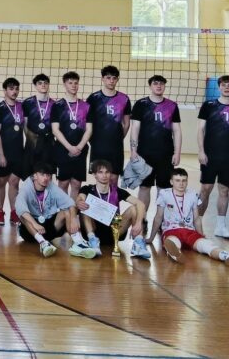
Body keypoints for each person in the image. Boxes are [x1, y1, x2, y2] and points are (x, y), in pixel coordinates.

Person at [147, 168, 229, 264]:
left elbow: (196, 218)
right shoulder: (164, 194)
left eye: (184, 180)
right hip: (171, 230)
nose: (181, 183)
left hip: (189, 230)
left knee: (205, 245)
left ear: (187, 181)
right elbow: (158, 217)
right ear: (171, 182)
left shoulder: (192, 194)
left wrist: (200, 234)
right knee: (172, 241)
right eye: (177, 180)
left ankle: (226, 255)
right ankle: (176, 254)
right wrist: (151, 238)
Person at [197, 75, 229, 237]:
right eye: (223, 85)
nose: (226, 87)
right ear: (219, 87)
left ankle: (220, 227)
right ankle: (196, 225)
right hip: (210, 156)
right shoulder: (208, 105)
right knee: (205, 189)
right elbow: (200, 129)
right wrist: (201, 151)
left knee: (224, 190)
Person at [14, 162, 98, 259]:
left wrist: (74, 219)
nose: (46, 178)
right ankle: (43, 243)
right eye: (42, 175)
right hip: (31, 232)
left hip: (48, 228)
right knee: (23, 216)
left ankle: (78, 243)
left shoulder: (51, 186)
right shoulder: (26, 188)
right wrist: (35, 223)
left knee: (67, 210)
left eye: (48, 175)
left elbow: (69, 202)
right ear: (35, 176)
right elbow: (19, 208)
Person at [75, 160, 150, 258]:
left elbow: (140, 204)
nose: (104, 175)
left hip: (115, 230)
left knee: (134, 209)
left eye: (107, 172)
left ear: (110, 174)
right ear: (94, 175)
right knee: (85, 205)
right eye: (100, 172)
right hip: (93, 229)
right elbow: (80, 198)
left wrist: (139, 223)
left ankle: (138, 244)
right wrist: (79, 202)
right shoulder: (87, 189)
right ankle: (93, 241)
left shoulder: (117, 191)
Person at [129, 75, 182, 209]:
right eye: (155, 83)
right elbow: (135, 128)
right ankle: (142, 218)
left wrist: (177, 153)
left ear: (164, 86)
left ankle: (161, 219)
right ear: (150, 86)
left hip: (166, 154)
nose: (159, 86)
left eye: (161, 84)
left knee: (164, 189)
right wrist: (133, 151)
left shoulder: (172, 105)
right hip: (144, 154)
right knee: (144, 187)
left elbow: (176, 130)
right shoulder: (141, 104)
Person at [51, 71, 94, 200]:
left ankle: (73, 210)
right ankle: (63, 210)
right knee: (63, 183)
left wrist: (79, 147)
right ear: (64, 84)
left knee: (76, 183)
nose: (73, 85)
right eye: (70, 83)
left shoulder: (86, 106)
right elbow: (55, 130)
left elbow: (89, 129)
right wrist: (69, 147)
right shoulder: (57, 106)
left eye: (76, 83)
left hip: (81, 149)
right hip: (62, 149)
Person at [86, 65, 131, 185]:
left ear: (117, 79)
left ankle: (113, 198)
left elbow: (126, 123)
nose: (111, 81)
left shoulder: (124, 98)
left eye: (114, 78)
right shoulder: (93, 98)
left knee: (113, 179)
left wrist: (118, 138)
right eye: (108, 78)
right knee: (100, 178)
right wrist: (91, 139)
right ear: (103, 79)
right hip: (98, 145)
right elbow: (87, 122)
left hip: (116, 146)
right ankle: (100, 198)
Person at [0, 77, 25, 225]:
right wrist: (1, 154)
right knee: (0, 182)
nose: (14, 91)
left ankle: (14, 212)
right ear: (5, 90)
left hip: (18, 152)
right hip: (3, 152)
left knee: (14, 182)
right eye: (11, 89)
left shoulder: (22, 107)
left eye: (16, 89)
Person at [21, 74, 55, 176]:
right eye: (40, 83)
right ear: (35, 86)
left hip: (48, 143)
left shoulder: (55, 104)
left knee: (47, 175)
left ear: (48, 85)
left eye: (45, 83)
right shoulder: (27, 103)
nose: (43, 85)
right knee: (30, 175)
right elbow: (25, 124)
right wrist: (31, 139)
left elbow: (56, 126)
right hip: (32, 143)